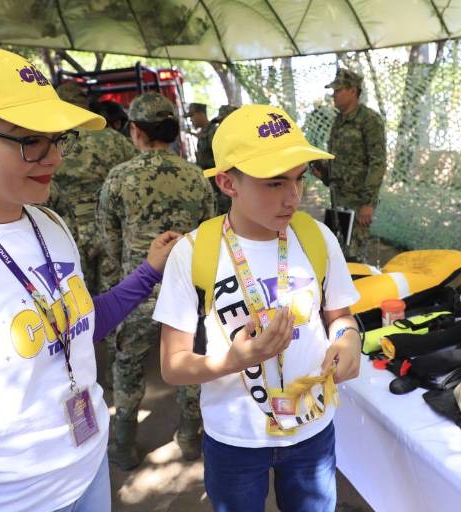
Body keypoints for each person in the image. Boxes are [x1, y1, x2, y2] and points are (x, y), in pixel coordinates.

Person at [0, 47, 180, 512]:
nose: (53, 157)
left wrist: (148, 272)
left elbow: (80, 325)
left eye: (57, 138)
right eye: (30, 139)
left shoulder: (47, 222)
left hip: (89, 475)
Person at [154, 104, 362, 511]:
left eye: (300, 179)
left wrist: (349, 339)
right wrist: (234, 360)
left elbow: (340, 316)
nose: (293, 197)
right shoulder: (194, 252)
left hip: (311, 431)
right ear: (229, 183)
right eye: (275, 183)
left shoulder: (317, 237)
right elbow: (172, 366)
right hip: (235, 438)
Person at [98, 92, 216, 468]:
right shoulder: (197, 178)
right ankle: (190, 437)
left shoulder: (119, 178)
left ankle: (124, 444)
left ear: (135, 130)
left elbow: (109, 243)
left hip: (137, 293)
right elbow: (209, 236)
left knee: (128, 368)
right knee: (190, 365)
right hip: (186, 296)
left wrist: (117, 291)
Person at [49, 82, 138, 296]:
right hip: (108, 228)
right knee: (112, 296)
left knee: (76, 297)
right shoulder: (113, 139)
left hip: (65, 230)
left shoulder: (49, 141)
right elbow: (134, 176)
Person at [313, 68, 386, 262]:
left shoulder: (369, 120)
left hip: (358, 202)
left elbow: (377, 162)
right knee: (336, 253)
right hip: (338, 201)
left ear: (353, 91)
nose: (333, 95)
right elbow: (340, 160)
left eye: (338, 91)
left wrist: (368, 203)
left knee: (354, 258)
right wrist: (324, 173)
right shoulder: (339, 121)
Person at [186, 102, 214, 170]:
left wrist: (202, 159)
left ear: (201, 114)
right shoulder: (204, 132)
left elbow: (221, 160)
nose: (190, 119)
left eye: (192, 116)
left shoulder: (213, 132)